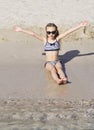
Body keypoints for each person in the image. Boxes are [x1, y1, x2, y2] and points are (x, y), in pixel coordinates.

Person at [14, 21, 88, 85]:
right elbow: (33, 34)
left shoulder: (57, 39)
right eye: (48, 32)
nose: (51, 34)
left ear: (56, 32)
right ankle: (57, 80)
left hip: (57, 61)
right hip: (48, 63)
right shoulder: (45, 40)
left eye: (53, 32)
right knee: (53, 70)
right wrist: (21, 30)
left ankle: (64, 78)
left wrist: (80, 25)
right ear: (46, 32)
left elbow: (68, 32)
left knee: (59, 69)